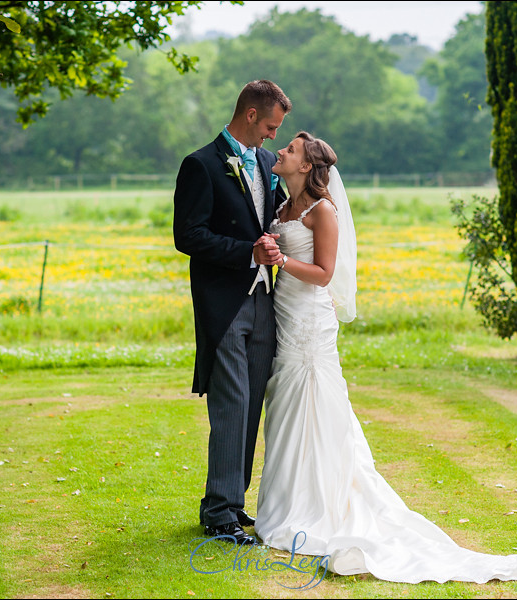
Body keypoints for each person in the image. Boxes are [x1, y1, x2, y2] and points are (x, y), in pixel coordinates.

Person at [254, 131, 517, 583]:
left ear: (307, 166)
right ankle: (288, 499)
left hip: (311, 323)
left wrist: (280, 262)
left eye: (290, 150)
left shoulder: (324, 212)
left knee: (313, 403)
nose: (281, 152)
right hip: (286, 317)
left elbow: (325, 273)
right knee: (286, 408)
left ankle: (319, 506)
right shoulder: (281, 208)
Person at [173, 80, 292, 546]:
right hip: (224, 305)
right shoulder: (200, 165)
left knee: (252, 404)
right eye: (268, 126)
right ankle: (218, 513)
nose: (271, 136)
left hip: (266, 301)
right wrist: (248, 252)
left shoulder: (266, 163)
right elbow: (189, 236)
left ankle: (231, 502)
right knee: (231, 405)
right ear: (249, 115)